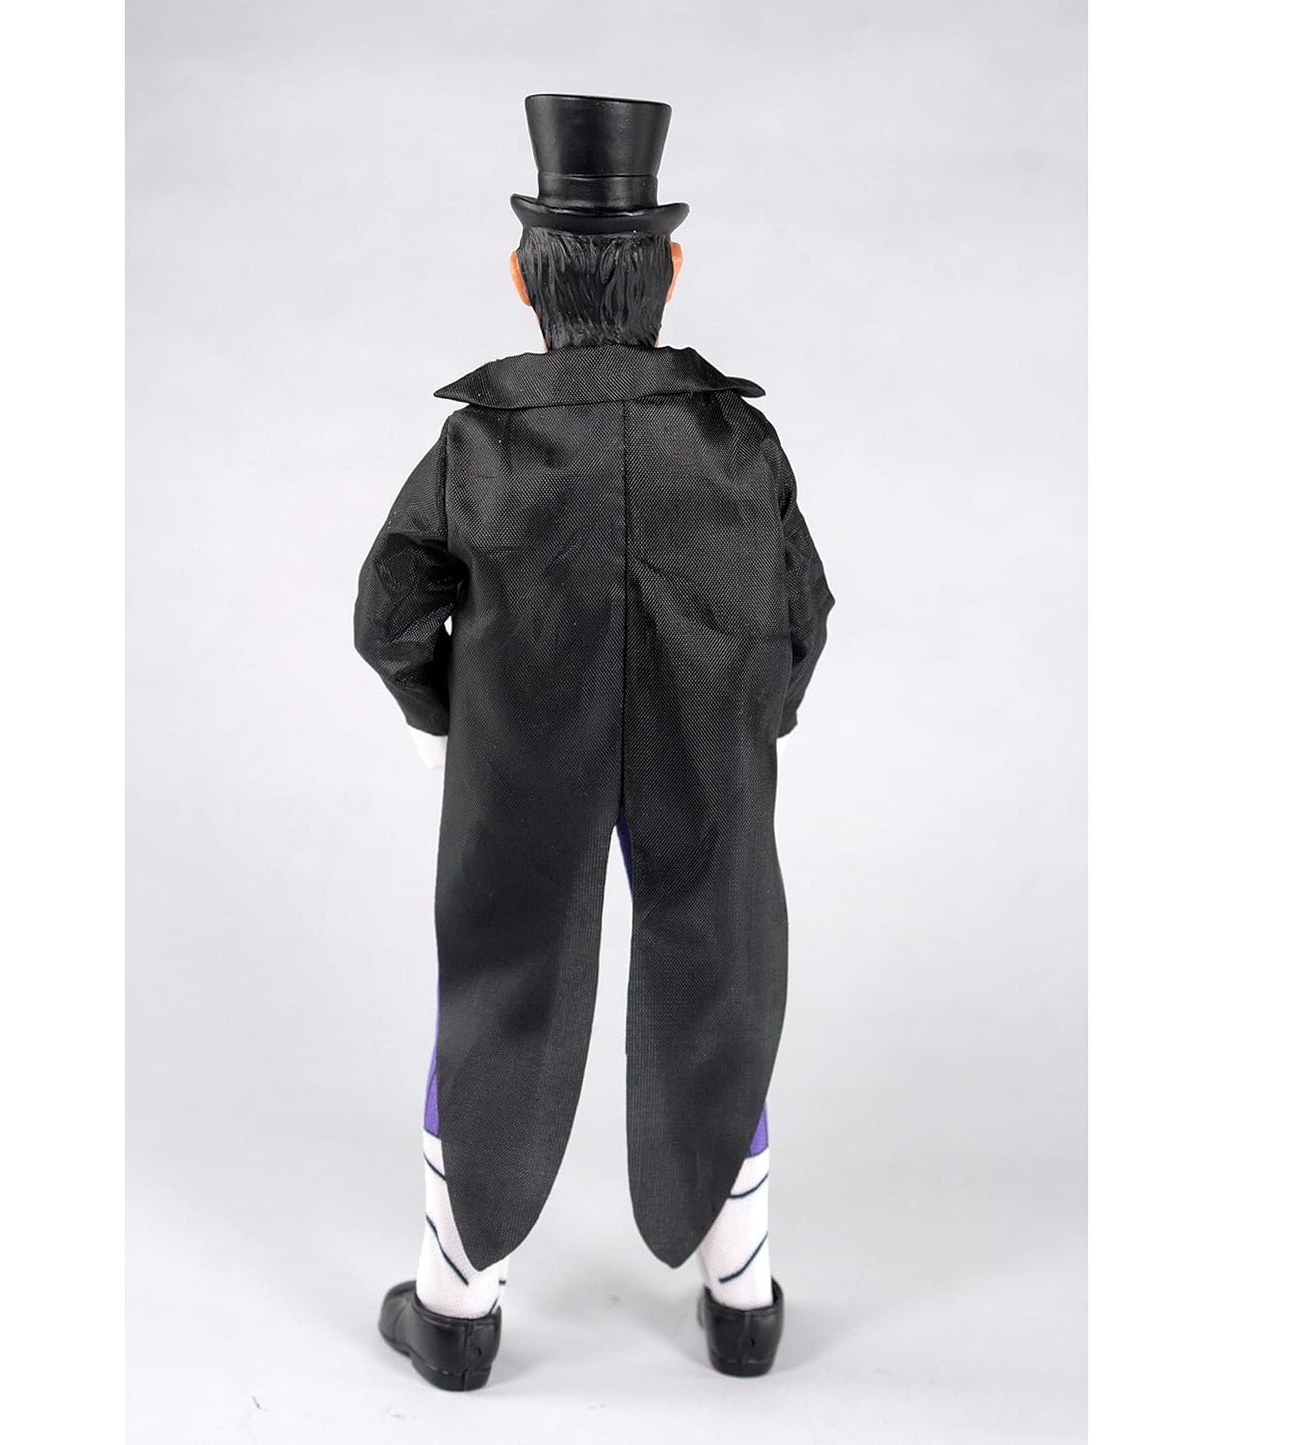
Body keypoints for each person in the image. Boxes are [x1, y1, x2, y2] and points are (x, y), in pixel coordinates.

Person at [355, 93, 833, 1390]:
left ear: (523, 279)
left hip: (520, 753)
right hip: (708, 751)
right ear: (670, 271)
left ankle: (455, 1309)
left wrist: (443, 717)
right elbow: (803, 607)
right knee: (720, 981)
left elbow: (390, 608)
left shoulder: (479, 445)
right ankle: (742, 1298)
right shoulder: (735, 440)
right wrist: (755, 718)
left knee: (501, 982)